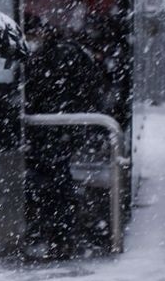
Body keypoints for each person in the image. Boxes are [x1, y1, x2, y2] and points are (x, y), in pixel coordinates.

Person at [23, 15, 108, 255]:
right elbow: (90, 90)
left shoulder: (45, 59)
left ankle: (54, 233)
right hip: (63, 130)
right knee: (57, 181)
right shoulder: (73, 53)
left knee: (50, 181)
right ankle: (60, 234)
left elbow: (35, 93)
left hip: (48, 130)